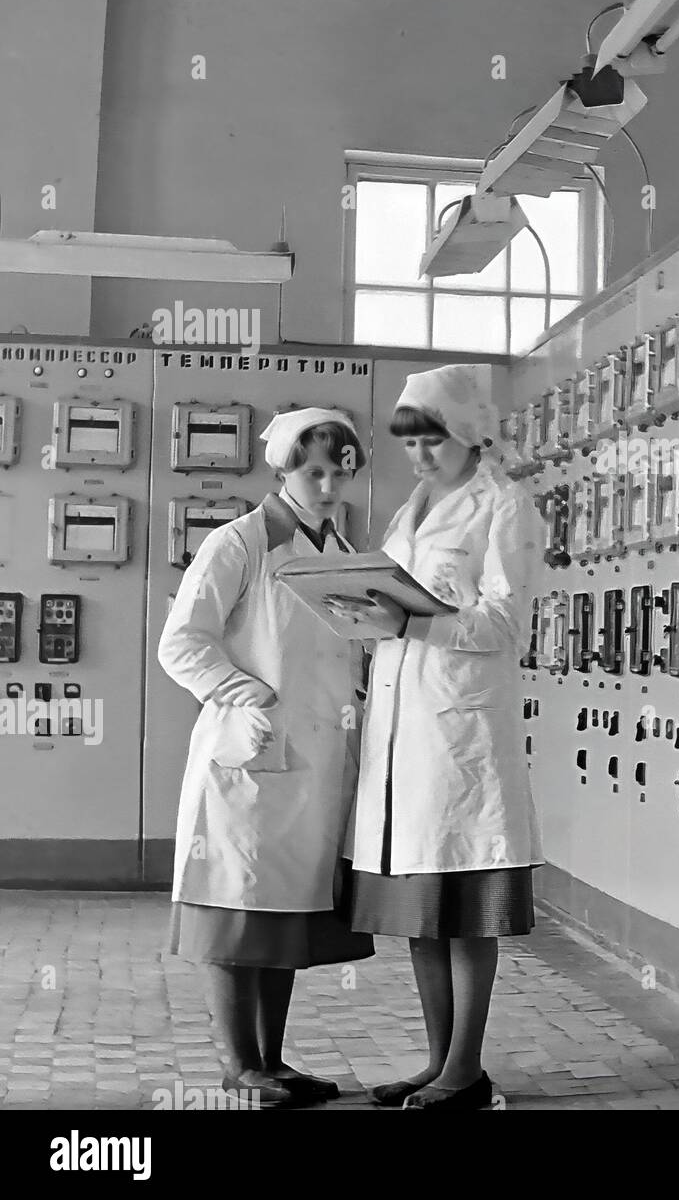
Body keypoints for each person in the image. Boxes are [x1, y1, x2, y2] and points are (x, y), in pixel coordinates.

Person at [331, 364, 545, 1112]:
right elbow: (396, 606)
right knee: (423, 912)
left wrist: (412, 621)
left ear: (466, 433)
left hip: (460, 737)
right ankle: (435, 1064)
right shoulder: (411, 509)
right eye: (408, 443)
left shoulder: (504, 505)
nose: (417, 457)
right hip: (402, 730)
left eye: (430, 441)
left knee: (463, 911)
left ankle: (466, 1071)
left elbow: (506, 623)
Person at [158, 407, 375, 1107]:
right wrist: (242, 691)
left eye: (338, 468)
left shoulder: (344, 550)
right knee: (234, 912)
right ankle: (238, 1068)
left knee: (283, 918)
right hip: (249, 756)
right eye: (312, 469)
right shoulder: (236, 544)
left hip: (316, 765)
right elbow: (182, 643)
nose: (326, 481)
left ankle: (272, 1064)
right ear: (282, 468)